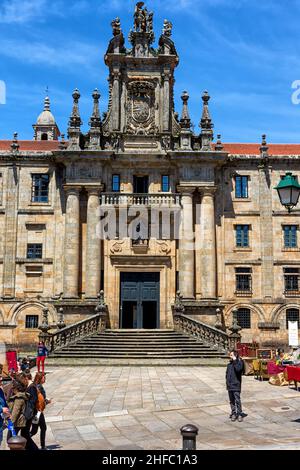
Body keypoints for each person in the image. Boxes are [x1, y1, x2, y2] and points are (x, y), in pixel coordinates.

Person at [30, 373, 51, 450]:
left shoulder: (36, 385)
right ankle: (42, 446)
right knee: (43, 427)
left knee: (34, 430)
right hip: (38, 412)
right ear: (40, 378)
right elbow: (39, 401)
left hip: (36, 412)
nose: (44, 379)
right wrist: (46, 402)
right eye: (43, 378)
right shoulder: (39, 387)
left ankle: (26, 439)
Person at [226, 349, 245, 423]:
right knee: (231, 401)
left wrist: (235, 360)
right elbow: (227, 374)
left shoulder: (240, 363)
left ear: (235, 355)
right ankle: (233, 413)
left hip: (236, 385)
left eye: (231, 355)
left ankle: (239, 414)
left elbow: (238, 370)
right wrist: (227, 382)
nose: (229, 356)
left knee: (237, 400)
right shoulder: (229, 364)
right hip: (230, 385)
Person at [0, 375, 10, 447]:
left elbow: (4, 403)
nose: (1, 378)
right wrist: (1, 409)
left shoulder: (0, 390)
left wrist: (7, 412)